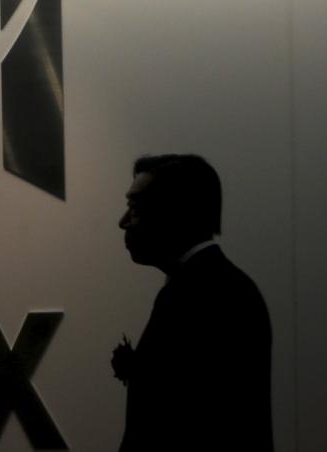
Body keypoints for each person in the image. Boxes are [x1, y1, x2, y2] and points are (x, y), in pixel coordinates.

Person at [112, 154, 273, 452]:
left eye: (134, 208)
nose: (122, 222)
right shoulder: (221, 287)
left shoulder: (208, 294)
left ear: (173, 212)